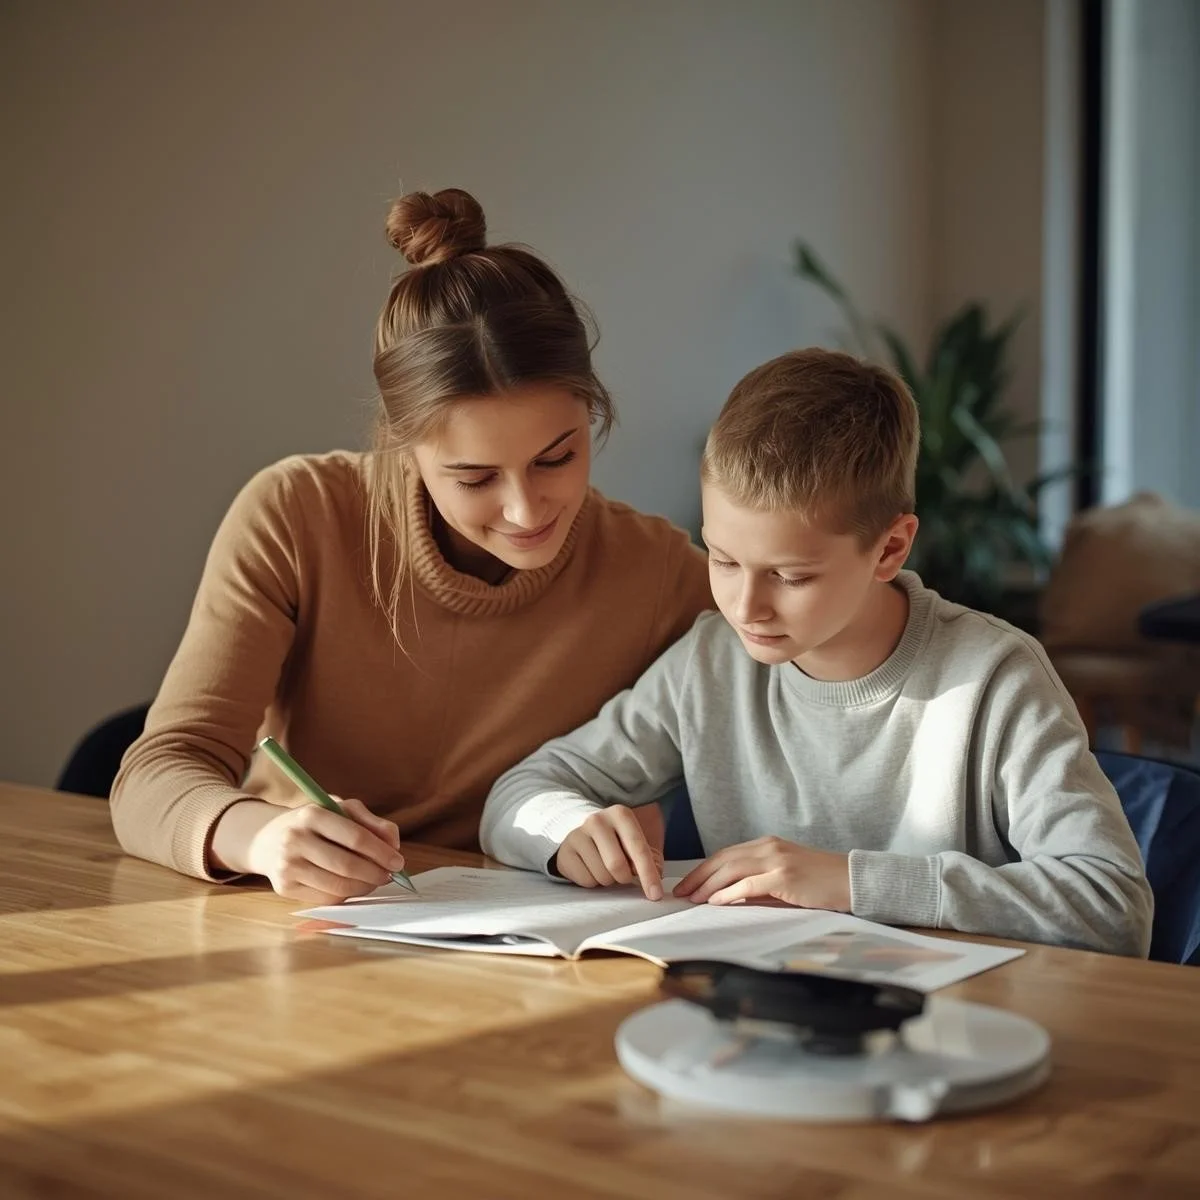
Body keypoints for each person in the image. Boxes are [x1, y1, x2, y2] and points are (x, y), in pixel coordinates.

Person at [111, 188, 711, 904]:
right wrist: (262, 837)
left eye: (557, 458)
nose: (524, 510)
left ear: (592, 411)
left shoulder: (656, 572)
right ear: (406, 447)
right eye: (474, 476)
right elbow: (156, 774)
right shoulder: (297, 516)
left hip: (517, 947)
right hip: (297, 925)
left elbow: (835, 653)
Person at [480, 348, 1154, 957]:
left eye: (791, 576)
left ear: (890, 548)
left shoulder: (994, 678)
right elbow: (517, 794)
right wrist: (565, 831)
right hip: (755, 1019)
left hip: (955, 1036)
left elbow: (1112, 904)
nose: (746, 607)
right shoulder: (711, 662)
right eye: (722, 558)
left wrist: (854, 882)